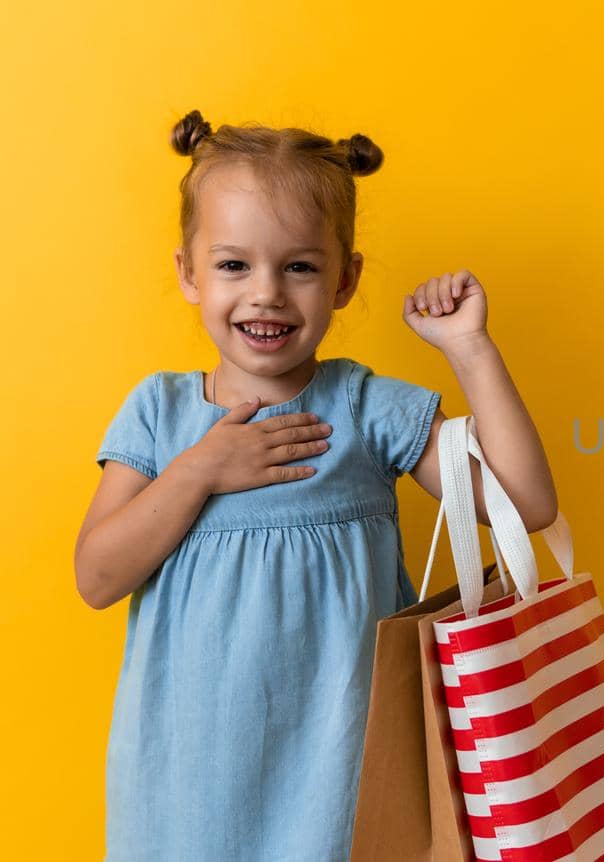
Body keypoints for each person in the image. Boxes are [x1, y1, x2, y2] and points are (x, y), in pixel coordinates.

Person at [73, 109, 560, 861]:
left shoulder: (367, 408)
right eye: (234, 265)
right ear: (188, 274)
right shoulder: (160, 413)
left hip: (342, 781)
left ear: (345, 279)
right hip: (183, 787)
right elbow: (97, 577)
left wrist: (470, 351)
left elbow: (525, 505)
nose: (266, 293)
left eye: (299, 266)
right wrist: (201, 467)